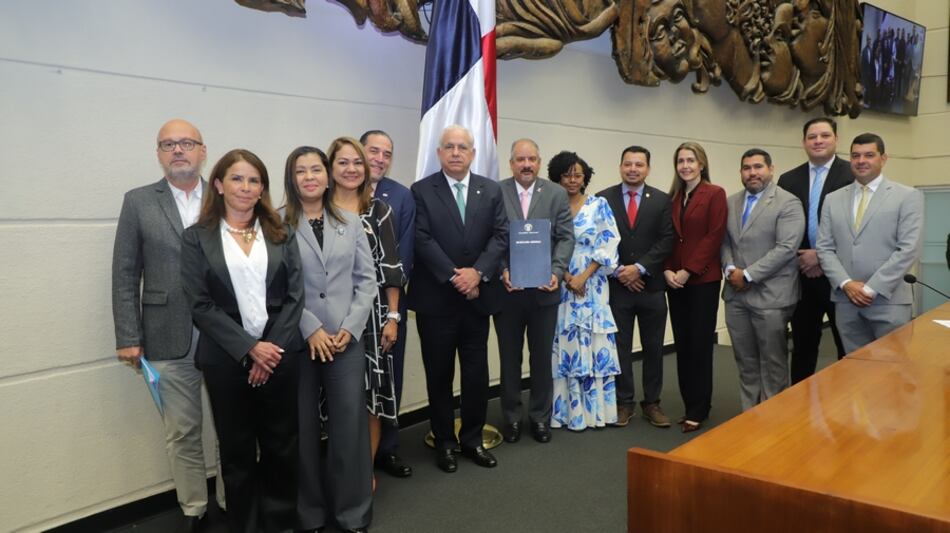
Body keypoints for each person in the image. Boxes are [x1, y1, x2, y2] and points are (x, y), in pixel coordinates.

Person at [180, 149, 304, 533]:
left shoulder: (281, 232)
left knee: (282, 447)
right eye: (237, 178)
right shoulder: (197, 238)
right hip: (225, 360)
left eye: (254, 180)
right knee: (236, 453)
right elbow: (200, 304)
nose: (245, 187)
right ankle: (245, 526)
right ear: (218, 184)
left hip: (280, 355)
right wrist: (250, 349)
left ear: (262, 188)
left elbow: (295, 297)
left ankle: (281, 523)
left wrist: (269, 352)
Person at [111, 119, 224, 532]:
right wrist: (128, 336)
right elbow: (125, 272)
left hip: (226, 335)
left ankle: (231, 500)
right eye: (168, 144)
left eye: (186, 143)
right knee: (183, 431)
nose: (178, 150)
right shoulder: (139, 201)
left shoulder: (228, 193)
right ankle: (194, 508)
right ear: (159, 153)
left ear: (202, 150)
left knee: (231, 426)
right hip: (163, 334)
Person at [284, 146, 376, 533]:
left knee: (349, 429)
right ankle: (310, 515)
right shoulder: (276, 225)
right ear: (292, 178)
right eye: (301, 171)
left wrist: (349, 329)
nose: (310, 177)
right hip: (300, 342)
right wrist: (311, 329)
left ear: (327, 175)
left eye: (316, 169)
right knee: (302, 430)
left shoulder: (351, 222)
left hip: (344, 341)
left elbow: (366, 281)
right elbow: (277, 289)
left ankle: (351, 513)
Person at [407, 125, 508, 472]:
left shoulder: (491, 190)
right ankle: (445, 443)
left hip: (477, 300)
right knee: (439, 375)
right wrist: (456, 276)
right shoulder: (421, 190)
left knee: (476, 374)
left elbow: (500, 236)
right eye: (448, 147)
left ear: (472, 153)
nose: (455, 152)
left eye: (462, 147)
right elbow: (421, 239)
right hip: (437, 301)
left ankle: (472, 440)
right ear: (439, 153)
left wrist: (477, 273)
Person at [327, 137, 406, 487]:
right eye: (343, 162)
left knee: (371, 395)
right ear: (331, 167)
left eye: (357, 163)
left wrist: (393, 317)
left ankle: (364, 472)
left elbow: (391, 268)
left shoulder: (379, 210)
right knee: (331, 400)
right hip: (326, 318)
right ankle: (337, 471)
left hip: (373, 319)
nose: (351, 169)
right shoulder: (316, 208)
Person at [493, 139, 574, 444]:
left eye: (532, 159)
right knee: (509, 358)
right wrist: (502, 268)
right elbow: (491, 238)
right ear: (511, 162)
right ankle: (512, 418)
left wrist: (555, 272)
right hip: (508, 292)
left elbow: (566, 238)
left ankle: (540, 417)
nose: (526, 164)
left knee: (541, 358)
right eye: (520, 159)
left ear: (539, 162)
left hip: (544, 292)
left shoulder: (555, 193)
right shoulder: (495, 192)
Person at [816, 133, 924, 354]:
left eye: (869, 155)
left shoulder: (907, 196)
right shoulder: (832, 199)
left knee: (892, 373)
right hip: (846, 301)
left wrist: (870, 289)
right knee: (855, 372)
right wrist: (846, 284)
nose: (861, 161)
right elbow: (824, 248)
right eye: (855, 155)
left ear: (883, 159)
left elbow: (908, 249)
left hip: (888, 300)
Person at [597, 146, 675, 428]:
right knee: (620, 347)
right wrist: (620, 271)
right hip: (618, 288)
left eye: (639, 164)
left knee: (654, 347)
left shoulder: (662, 200)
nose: (633, 169)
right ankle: (624, 402)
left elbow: (666, 239)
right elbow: (600, 240)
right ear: (620, 167)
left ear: (648, 169)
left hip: (651, 287)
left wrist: (639, 268)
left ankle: (652, 403)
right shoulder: (603, 198)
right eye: (628, 164)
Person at [721, 149, 804, 410]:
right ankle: (750, 416)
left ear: (771, 169)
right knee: (745, 360)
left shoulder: (788, 202)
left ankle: (774, 420)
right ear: (741, 173)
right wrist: (730, 268)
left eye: (758, 167)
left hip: (772, 296)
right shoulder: (730, 201)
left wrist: (747, 274)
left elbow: (786, 248)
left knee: (773, 362)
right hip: (736, 296)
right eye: (746, 168)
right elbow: (723, 242)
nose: (752, 173)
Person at [549, 151, 622, 430]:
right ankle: (566, 414)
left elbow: (609, 242)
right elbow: (546, 243)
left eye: (577, 174)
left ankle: (595, 413)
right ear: (557, 176)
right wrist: (567, 276)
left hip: (592, 283)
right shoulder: (552, 205)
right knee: (565, 343)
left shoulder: (599, 205)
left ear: (585, 177)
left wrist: (583, 277)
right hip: (560, 281)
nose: (572, 180)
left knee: (593, 342)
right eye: (566, 174)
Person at [777, 117, 852, 384]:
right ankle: (799, 411)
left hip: (841, 278)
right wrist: (804, 258)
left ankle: (850, 409)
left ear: (836, 139)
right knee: (802, 348)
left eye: (824, 135)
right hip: (802, 277)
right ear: (804, 142)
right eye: (812, 137)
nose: (818, 141)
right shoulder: (788, 179)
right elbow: (783, 226)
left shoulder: (851, 175)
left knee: (847, 348)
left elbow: (856, 228)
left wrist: (819, 255)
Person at [361, 130, 416, 478]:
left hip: (389, 305)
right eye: (374, 151)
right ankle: (355, 454)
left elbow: (405, 254)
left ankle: (389, 449)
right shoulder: (338, 191)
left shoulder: (401, 196)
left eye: (387, 153)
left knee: (389, 377)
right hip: (348, 308)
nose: (380, 158)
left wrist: (390, 308)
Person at [663, 142, 727, 433]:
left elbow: (713, 237)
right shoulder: (673, 196)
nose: (685, 165)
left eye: (691, 160)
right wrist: (666, 270)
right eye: (681, 161)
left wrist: (688, 271)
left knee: (700, 345)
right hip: (674, 281)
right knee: (683, 343)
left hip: (702, 280)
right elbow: (667, 237)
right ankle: (689, 403)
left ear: (702, 164)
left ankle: (700, 409)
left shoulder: (714, 194)